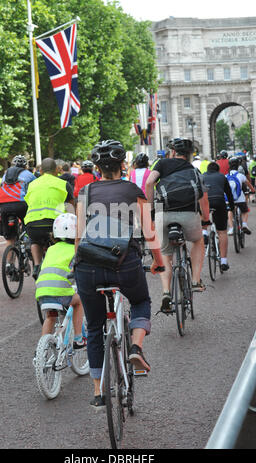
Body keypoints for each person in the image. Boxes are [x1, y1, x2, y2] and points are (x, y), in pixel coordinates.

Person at [74, 139, 164, 408]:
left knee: (93, 327)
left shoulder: (86, 191)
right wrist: (159, 262)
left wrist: (76, 265)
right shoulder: (132, 190)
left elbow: (79, 235)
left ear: (97, 168)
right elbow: (149, 232)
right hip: (124, 263)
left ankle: (98, 392)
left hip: (88, 265)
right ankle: (135, 348)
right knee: (140, 302)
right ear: (123, 165)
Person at [145, 138, 210, 313]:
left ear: (173, 152)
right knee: (197, 241)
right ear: (189, 155)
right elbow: (203, 198)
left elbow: (149, 183)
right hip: (189, 214)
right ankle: (196, 280)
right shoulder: (193, 170)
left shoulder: (162, 163)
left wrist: (150, 210)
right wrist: (206, 219)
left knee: (165, 254)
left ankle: (166, 292)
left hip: (163, 213)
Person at [35, 213, 85, 346]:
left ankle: (41, 348)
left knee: (51, 317)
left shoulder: (51, 249)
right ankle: (78, 338)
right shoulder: (77, 249)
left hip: (41, 292)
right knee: (78, 302)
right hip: (61, 292)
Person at [24, 157, 74, 280]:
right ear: (57, 170)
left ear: (40, 171)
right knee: (58, 244)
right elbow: (72, 207)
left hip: (32, 223)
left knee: (34, 241)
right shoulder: (63, 184)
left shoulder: (31, 184)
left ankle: (36, 265)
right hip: (54, 225)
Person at [0, 155, 36, 250]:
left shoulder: (5, 175)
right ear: (25, 165)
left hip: (4, 204)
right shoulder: (29, 174)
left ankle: (8, 263)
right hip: (20, 204)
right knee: (29, 224)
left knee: (10, 238)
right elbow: (36, 189)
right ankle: (28, 242)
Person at [202, 162, 235, 271]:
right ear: (218, 170)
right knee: (222, 232)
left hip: (205, 201)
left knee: (203, 217)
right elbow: (229, 193)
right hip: (219, 201)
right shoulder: (222, 176)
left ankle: (204, 232)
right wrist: (231, 207)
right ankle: (224, 261)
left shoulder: (202, 176)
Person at [227, 157, 255, 235]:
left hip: (230, 200)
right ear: (238, 166)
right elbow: (249, 185)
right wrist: (253, 191)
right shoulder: (240, 175)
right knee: (245, 211)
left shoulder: (226, 176)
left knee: (230, 211)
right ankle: (244, 225)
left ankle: (231, 228)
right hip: (240, 199)